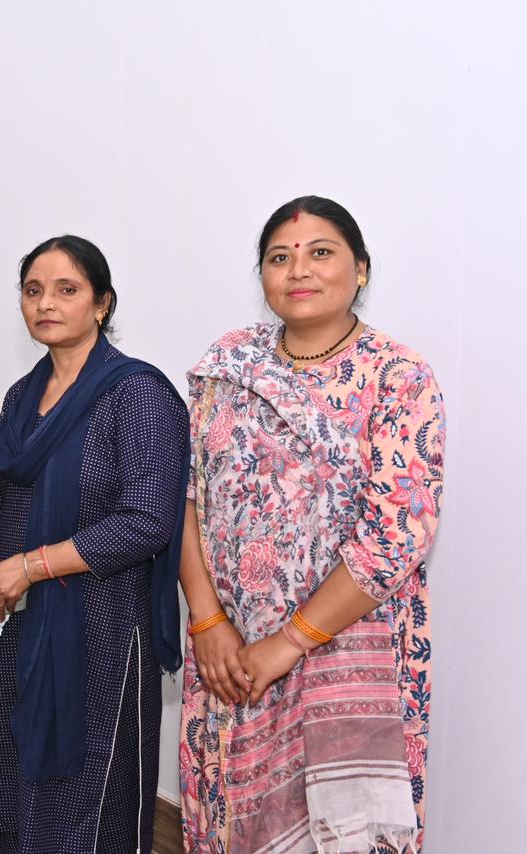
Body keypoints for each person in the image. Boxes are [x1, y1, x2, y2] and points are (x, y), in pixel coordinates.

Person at [178, 196, 445, 853]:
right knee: (231, 824)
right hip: (229, 656)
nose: (298, 269)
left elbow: (396, 537)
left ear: (361, 269)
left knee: (343, 835)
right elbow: (186, 497)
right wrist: (209, 623)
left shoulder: (398, 377)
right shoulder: (228, 366)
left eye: (320, 252)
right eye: (279, 257)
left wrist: (288, 643)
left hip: (349, 647)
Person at [0, 235, 190, 854]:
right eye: (33, 291)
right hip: (16, 623)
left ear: (102, 303)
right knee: (7, 770)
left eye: (67, 289)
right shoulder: (22, 397)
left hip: (102, 628)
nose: (46, 304)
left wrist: (28, 567)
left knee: (88, 793)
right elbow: (0, 502)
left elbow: (146, 522)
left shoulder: (137, 393)